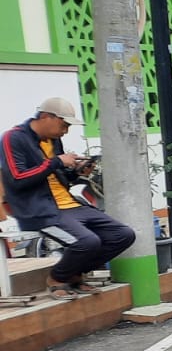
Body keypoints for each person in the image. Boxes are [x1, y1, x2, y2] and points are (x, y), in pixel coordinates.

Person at [2, 98, 134, 300]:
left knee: (123, 234)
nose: (65, 131)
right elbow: (18, 179)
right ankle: (57, 278)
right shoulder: (14, 138)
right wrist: (56, 162)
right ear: (47, 117)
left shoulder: (53, 140)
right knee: (87, 242)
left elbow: (57, 176)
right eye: (64, 125)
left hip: (70, 205)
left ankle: (73, 273)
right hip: (39, 210)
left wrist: (78, 173)